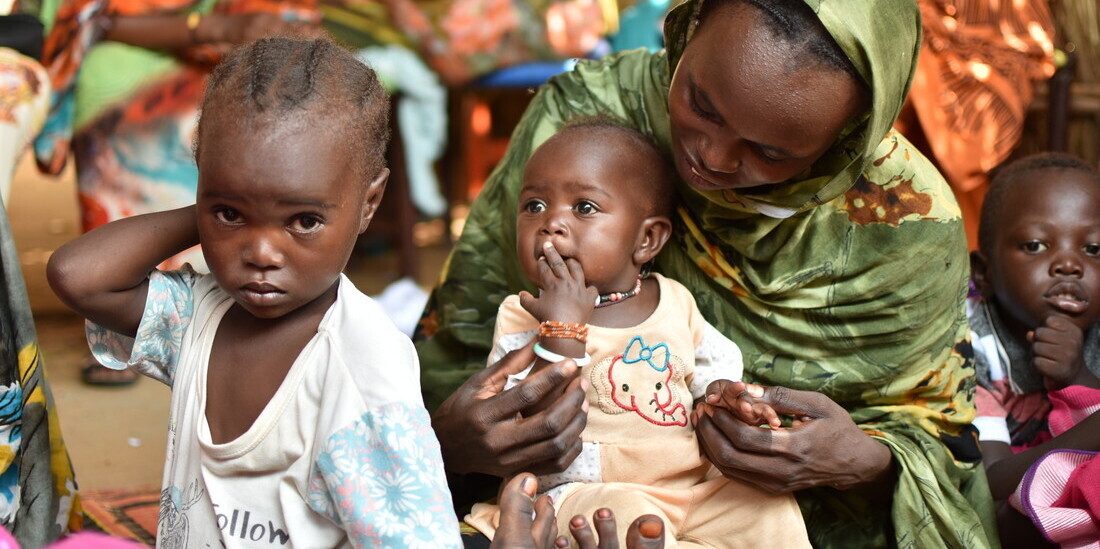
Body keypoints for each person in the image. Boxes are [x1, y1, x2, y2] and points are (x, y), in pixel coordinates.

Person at [415, 0, 998, 546]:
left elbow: (941, 443)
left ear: (845, 140)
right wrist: (456, 441)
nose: (712, 160)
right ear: (687, 30)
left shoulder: (906, 226)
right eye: (700, 103)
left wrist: (865, 462)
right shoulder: (587, 121)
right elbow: (465, 351)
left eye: (771, 152)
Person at [45, 37, 464, 548]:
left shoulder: (361, 369)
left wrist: (234, 204)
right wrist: (216, 204)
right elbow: (76, 275)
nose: (261, 251)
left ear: (368, 202)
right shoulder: (198, 315)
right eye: (229, 214)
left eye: (304, 220)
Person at [464, 118, 806, 547]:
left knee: (766, 506)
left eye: (584, 208)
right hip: (581, 492)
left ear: (646, 240)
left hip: (690, 485)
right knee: (627, 517)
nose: (551, 224)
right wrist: (560, 328)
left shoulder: (674, 301)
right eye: (534, 205)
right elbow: (526, 422)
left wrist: (730, 398)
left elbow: (708, 378)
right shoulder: (521, 315)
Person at [34, 0, 323, 386]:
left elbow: (296, 26)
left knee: (273, 93)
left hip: (240, 45)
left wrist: (253, 32)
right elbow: (91, 17)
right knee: (119, 92)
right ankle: (125, 321)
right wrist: (208, 29)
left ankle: (237, 311)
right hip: (134, 43)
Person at [968, 152, 1100, 547]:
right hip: (1012, 517)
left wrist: (1078, 377)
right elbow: (989, 483)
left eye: (1093, 250)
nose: (1068, 265)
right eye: (1036, 245)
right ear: (984, 273)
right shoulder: (969, 346)